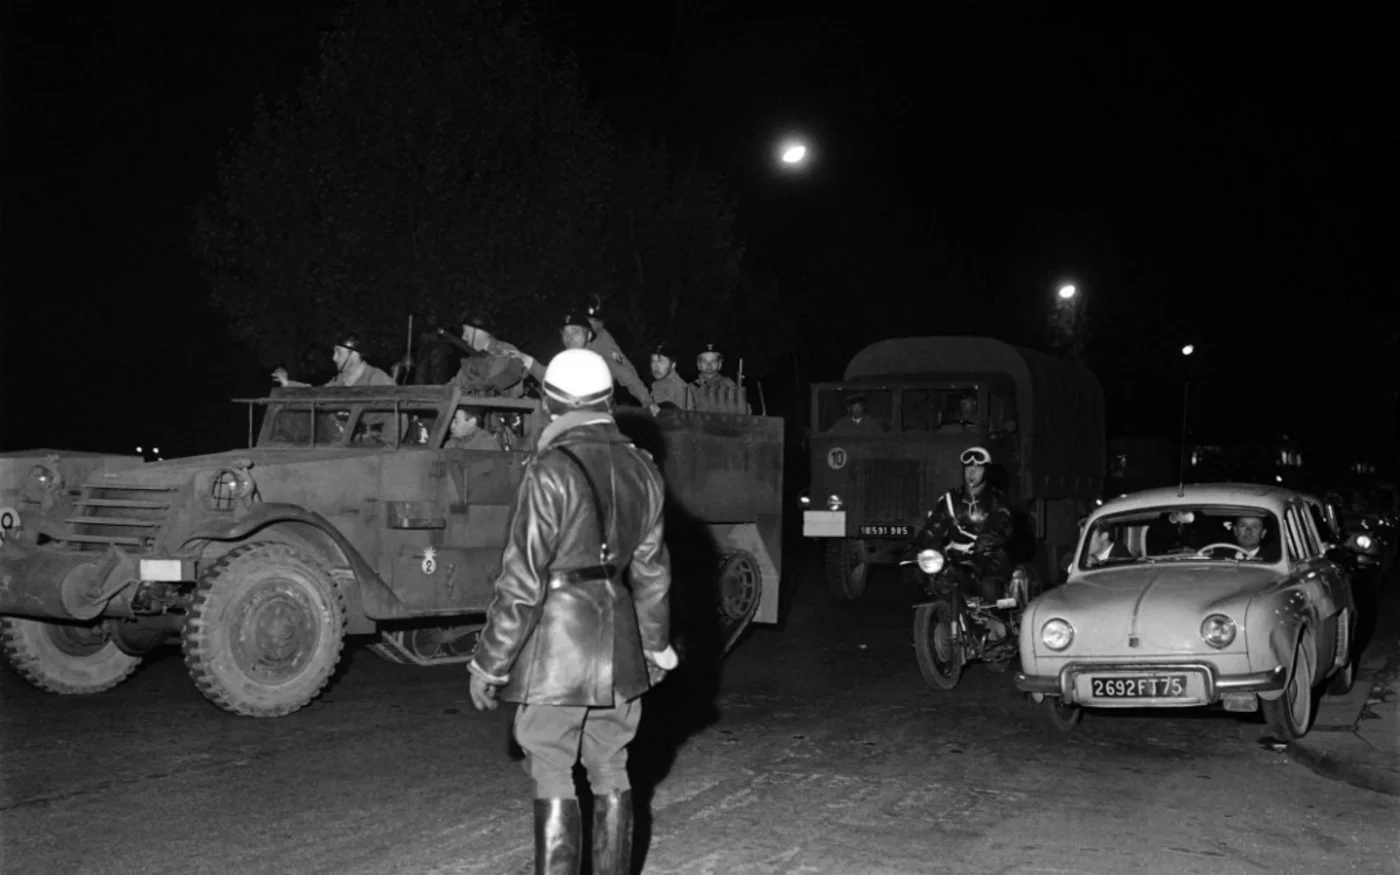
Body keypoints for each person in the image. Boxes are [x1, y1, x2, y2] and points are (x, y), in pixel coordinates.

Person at [467, 348, 677, 875]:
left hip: (558, 648)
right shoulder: (643, 469)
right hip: (621, 645)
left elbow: (521, 581)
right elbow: (651, 574)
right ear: (608, 401)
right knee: (612, 765)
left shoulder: (550, 469)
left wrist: (489, 662)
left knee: (552, 766)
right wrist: (655, 647)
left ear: (551, 402)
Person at [915, 445, 1015, 627]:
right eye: (969, 468)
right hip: (956, 558)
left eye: (977, 468)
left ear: (986, 472)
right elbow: (934, 526)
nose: (972, 472)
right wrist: (919, 545)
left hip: (989, 558)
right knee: (938, 581)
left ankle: (1001, 628)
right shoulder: (950, 500)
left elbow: (1002, 522)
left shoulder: (996, 499)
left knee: (989, 588)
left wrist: (988, 538)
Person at [512, 308, 661, 415]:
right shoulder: (570, 353)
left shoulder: (601, 343)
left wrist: (646, 400)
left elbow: (627, 375)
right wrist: (528, 362)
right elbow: (554, 379)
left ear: (589, 333)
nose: (569, 338)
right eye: (566, 333)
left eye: (576, 332)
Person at [450, 312, 527, 397]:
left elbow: (513, 375)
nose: (463, 337)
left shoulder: (507, 350)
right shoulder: (472, 359)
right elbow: (458, 383)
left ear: (479, 332)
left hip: (506, 407)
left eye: (466, 332)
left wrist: (486, 384)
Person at [272, 335, 395, 388]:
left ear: (354, 355)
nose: (334, 358)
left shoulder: (376, 378)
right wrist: (287, 383)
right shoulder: (341, 381)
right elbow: (317, 394)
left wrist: (386, 441)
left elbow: (400, 413)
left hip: (375, 441)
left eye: (339, 353)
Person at [648, 341, 693, 410]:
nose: (655, 366)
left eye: (661, 361)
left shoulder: (679, 387)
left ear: (673, 365)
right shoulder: (656, 384)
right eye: (653, 361)